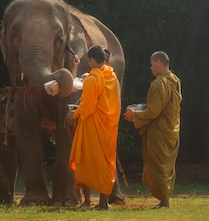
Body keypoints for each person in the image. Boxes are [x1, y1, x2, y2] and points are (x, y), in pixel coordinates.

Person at [124, 51, 181, 209]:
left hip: (159, 130)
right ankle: (165, 199)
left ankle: (164, 201)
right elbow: (162, 106)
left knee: (157, 164)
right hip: (171, 128)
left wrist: (134, 115)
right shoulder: (175, 80)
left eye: (151, 64)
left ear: (158, 62)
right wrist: (139, 108)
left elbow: (153, 111)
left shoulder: (158, 84)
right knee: (165, 164)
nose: (150, 68)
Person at [68, 45, 121, 210]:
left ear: (91, 60)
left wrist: (73, 115)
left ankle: (90, 201)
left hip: (92, 125)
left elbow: (88, 106)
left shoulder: (92, 79)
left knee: (85, 161)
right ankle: (102, 201)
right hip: (108, 126)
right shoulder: (111, 76)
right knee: (105, 162)